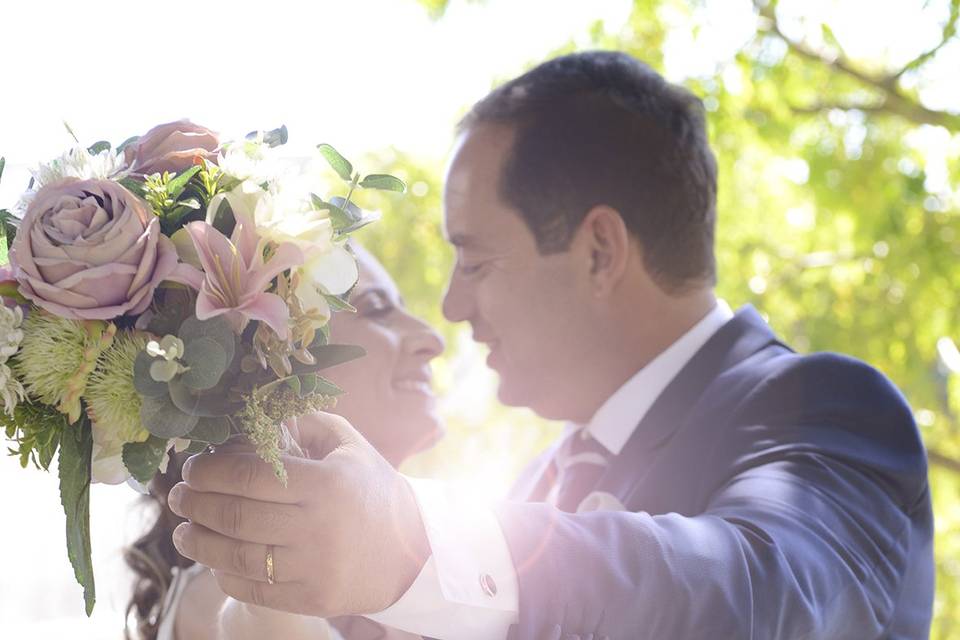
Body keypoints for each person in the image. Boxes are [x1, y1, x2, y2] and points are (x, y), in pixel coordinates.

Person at [168, 51, 934, 639]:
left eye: (477, 260)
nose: (452, 305)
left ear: (599, 250)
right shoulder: (536, 488)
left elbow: (778, 595)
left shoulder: (826, 411)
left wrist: (413, 544)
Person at [125, 245, 443, 640]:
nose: (432, 338)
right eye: (378, 309)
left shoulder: (438, 572)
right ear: (273, 357)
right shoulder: (227, 598)